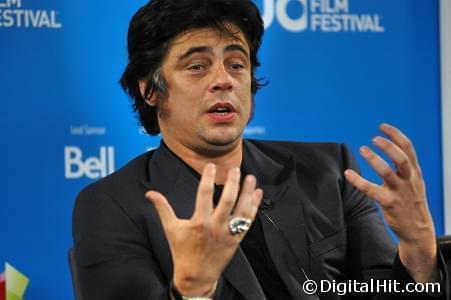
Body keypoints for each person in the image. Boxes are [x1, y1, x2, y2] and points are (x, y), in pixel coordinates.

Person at [72, 0, 449, 299]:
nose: (223, 80)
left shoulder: (330, 170)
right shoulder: (113, 206)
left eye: (236, 64)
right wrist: (192, 293)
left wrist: (418, 252)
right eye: (197, 66)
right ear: (150, 89)